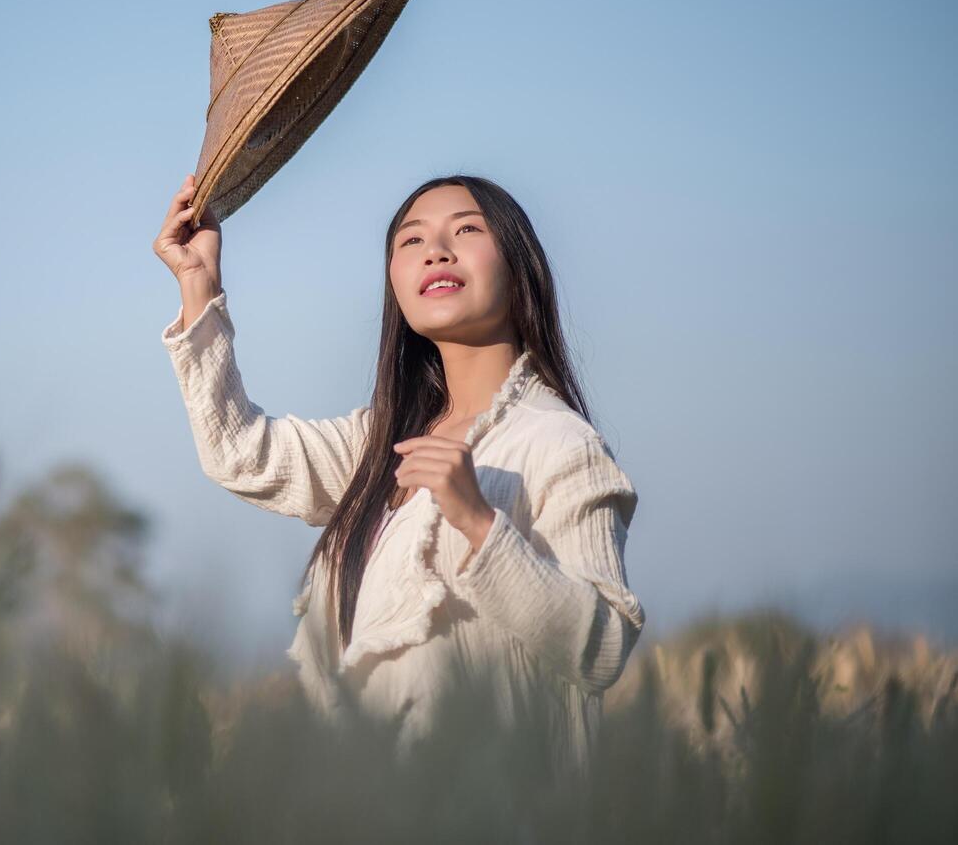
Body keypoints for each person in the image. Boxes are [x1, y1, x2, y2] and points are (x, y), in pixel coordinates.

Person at [152, 172, 645, 772]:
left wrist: (478, 523)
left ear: (521, 270)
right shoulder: (382, 443)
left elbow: (602, 650)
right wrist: (198, 287)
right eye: (411, 241)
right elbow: (243, 454)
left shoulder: (559, 442)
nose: (436, 249)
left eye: (466, 229)